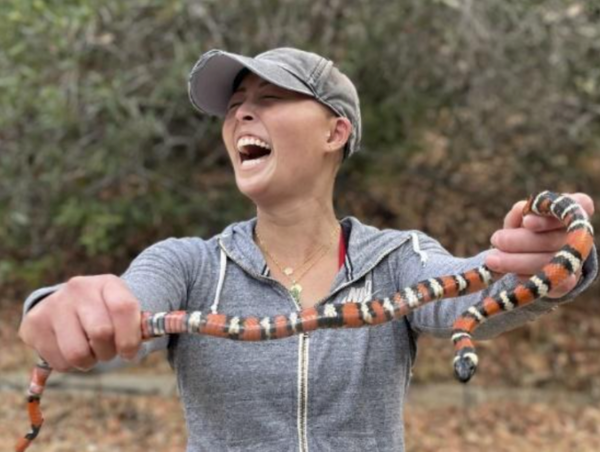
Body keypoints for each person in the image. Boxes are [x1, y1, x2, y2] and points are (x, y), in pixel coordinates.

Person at [19, 48, 597, 451]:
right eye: (235, 103)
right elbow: (121, 304)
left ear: (334, 132)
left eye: (269, 97)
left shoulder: (397, 259)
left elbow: (475, 283)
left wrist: (551, 258)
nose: (241, 111)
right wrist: (60, 309)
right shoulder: (188, 265)